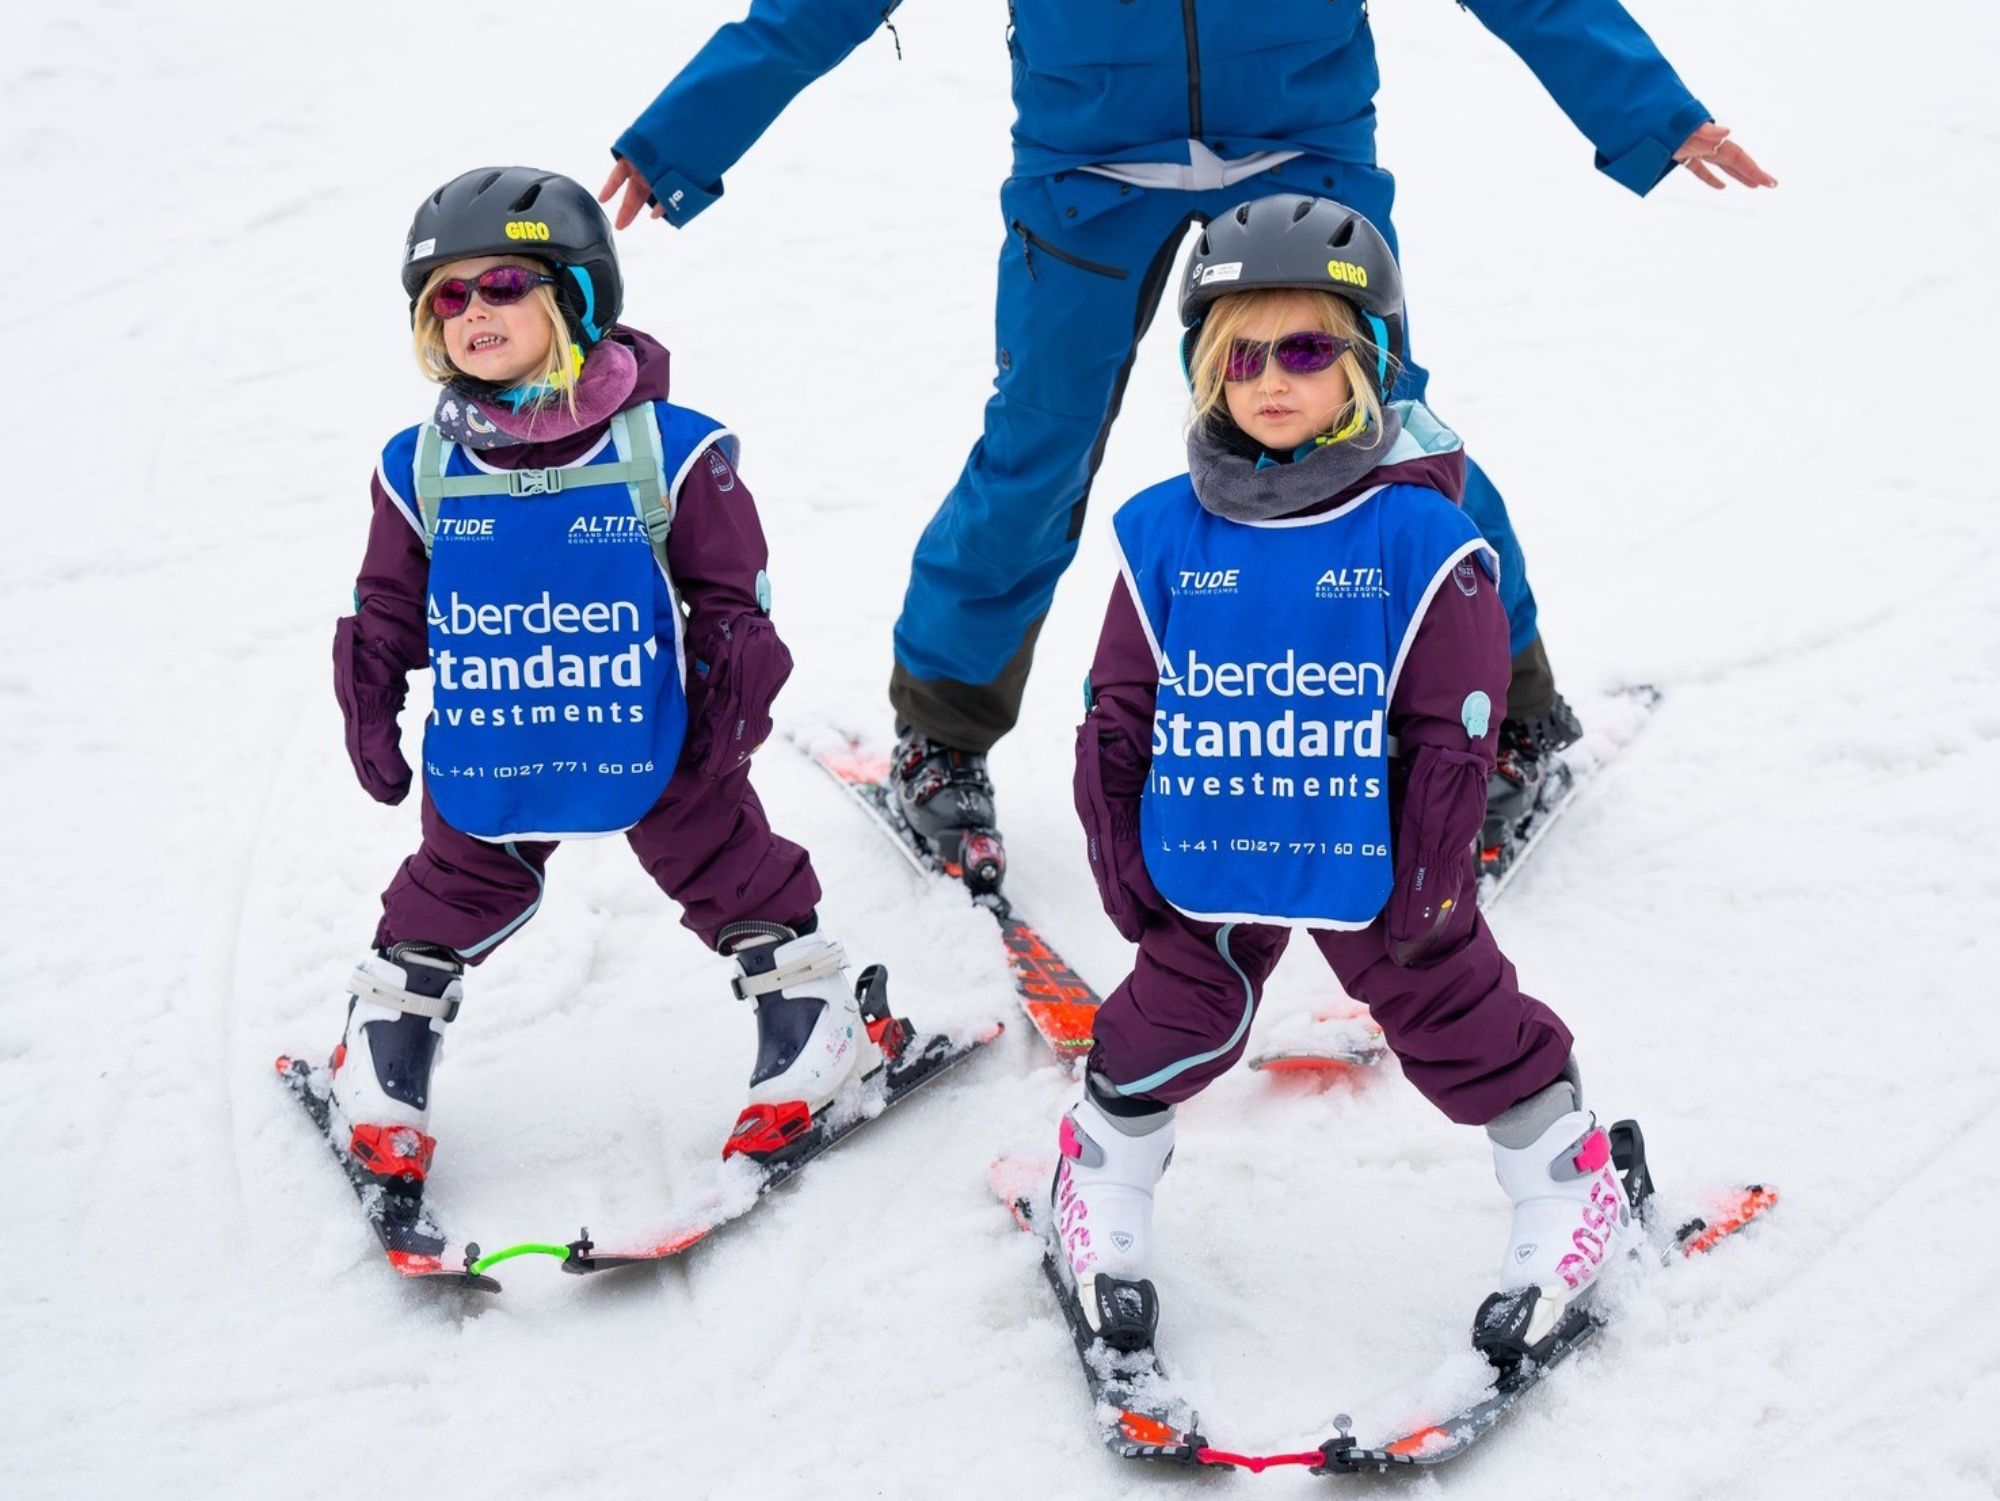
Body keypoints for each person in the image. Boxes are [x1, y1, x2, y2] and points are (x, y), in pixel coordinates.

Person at [599, 1, 1774, 885]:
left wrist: (1650, 114)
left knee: (1391, 440)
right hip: (1084, 177)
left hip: (1302, 156)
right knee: (1036, 451)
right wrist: (679, 139)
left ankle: (1514, 712)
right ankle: (940, 735)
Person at [1052, 195, 1630, 1360]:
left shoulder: (1417, 540)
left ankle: (1568, 1177)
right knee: (1176, 1012)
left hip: (1368, 855)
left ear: (1364, 362)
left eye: (1305, 350)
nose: (1272, 379)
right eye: (1242, 354)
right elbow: (1122, 702)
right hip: (1210, 841)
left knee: (1449, 1009)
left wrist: (1430, 876)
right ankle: (1099, 1172)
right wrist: (1120, 840)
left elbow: (1449, 727)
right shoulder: (1163, 531)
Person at [324, 166, 890, 1187]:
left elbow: (728, 593)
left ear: (572, 294)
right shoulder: (421, 465)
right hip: (495, 728)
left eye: (500, 284)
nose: (472, 311)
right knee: (458, 874)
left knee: (719, 855)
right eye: (446, 296)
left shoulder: (665, 448)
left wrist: (728, 704)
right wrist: (372, 692)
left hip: (649, 721)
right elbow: (387, 602)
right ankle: (387, 1027)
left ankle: (811, 1011)